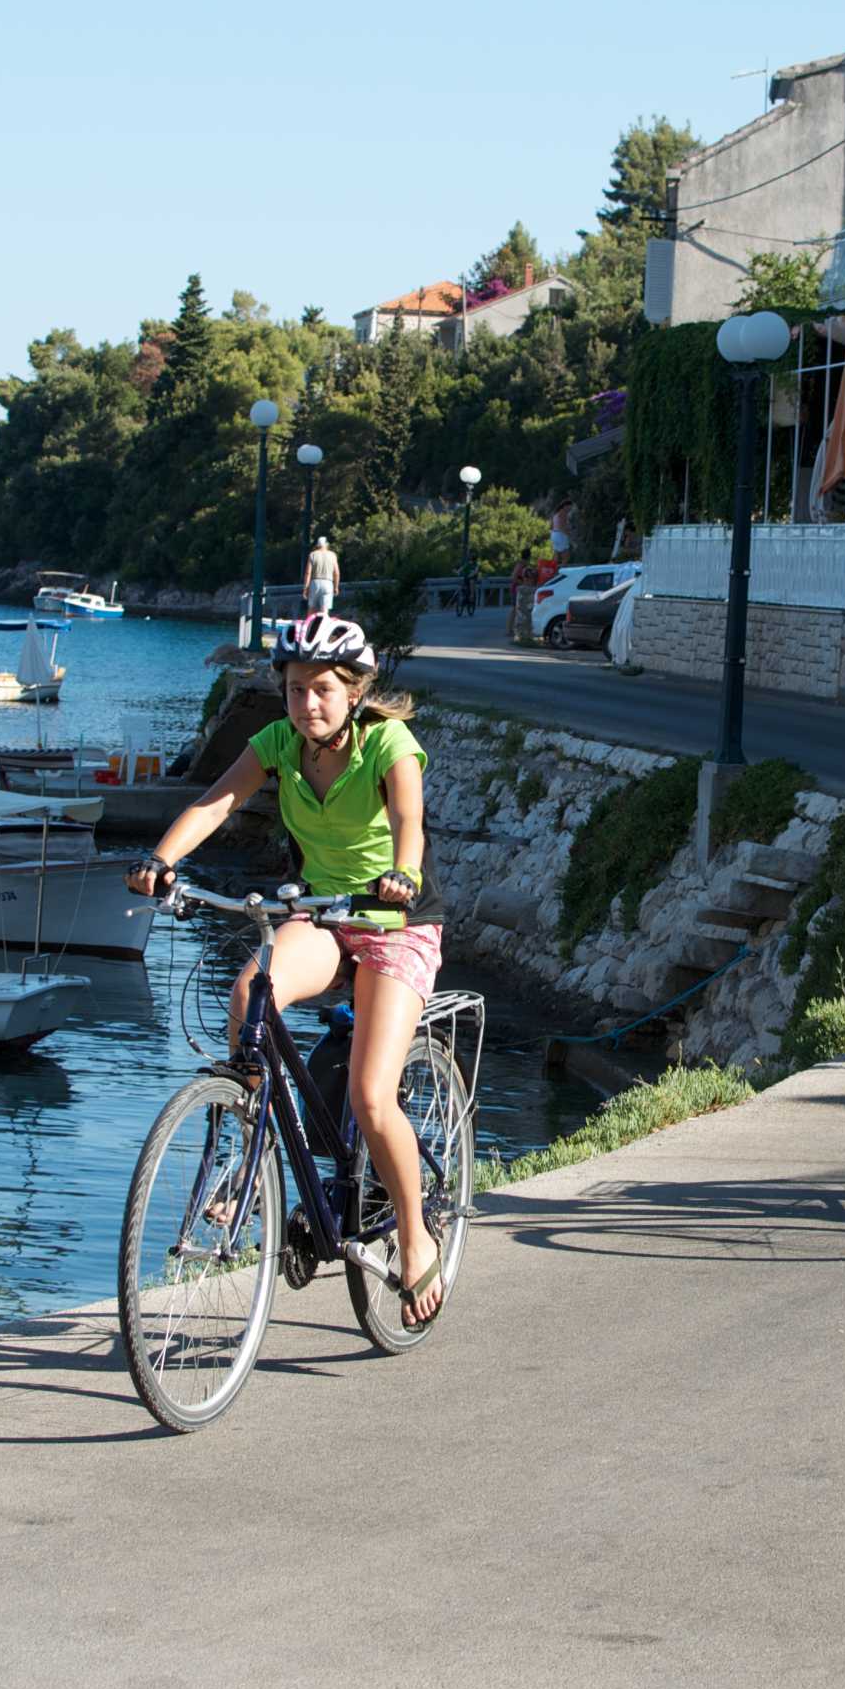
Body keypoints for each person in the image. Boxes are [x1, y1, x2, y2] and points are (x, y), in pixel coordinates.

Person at [124, 613, 448, 1324]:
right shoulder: (277, 743)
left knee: (369, 1095)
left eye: (324, 689)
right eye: (297, 689)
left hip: (395, 922)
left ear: (356, 691)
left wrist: (403, 873)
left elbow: (408, 822)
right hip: (330, 915)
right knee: (251, 991)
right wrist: (162, 859)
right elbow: (216, 801)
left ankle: (417, 1235)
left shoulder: (389, 742)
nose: (309, 704)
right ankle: (247, 1147)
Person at [303, 536, 340, 616]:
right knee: (324, 612)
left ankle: (309, 626)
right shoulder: (333, 555)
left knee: (311, 609)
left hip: (314, 583)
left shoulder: (312, 555)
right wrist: (336, 587)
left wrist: (306, 588)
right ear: (326, 545)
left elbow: (308, 572)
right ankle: (322, 627)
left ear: (317, 545)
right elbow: (336, 573)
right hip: (328, 583)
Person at [508, 550, 534, 641]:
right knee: (515, 608)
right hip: (517, 589)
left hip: (518, 588)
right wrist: (522, 583)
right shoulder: (521, 564)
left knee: (516, 609)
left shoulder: (524, 564)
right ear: (529, 556)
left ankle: (512, 629)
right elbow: (513, 577)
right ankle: (510, 629)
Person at [550, 499, 577, 567]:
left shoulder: (556, 513)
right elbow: (562, 528)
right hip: (560, 535)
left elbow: (553, 525)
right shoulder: (563, 513)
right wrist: (571, 539)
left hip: (554, 534)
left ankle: (553, 569)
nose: (570, 509)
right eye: (569, 507)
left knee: (556, 554)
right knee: (566, 556)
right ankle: (562, 570)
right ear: (565, 506)